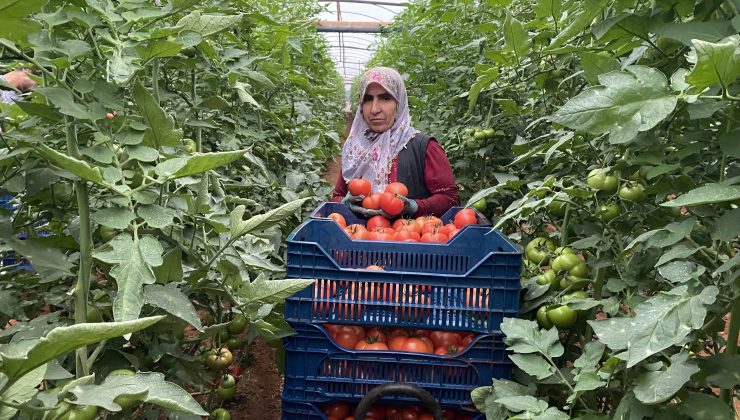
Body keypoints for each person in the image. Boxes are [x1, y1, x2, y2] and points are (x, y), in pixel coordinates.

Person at [331, 67, 460, 218]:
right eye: (367, 99)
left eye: (385, 98)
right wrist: (344, 203)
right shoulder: (355, 149)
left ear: (399, 103)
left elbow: (450, 199)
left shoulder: (424, 148)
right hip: (358, 237)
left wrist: (413, 207)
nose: (374, 109)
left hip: (409, 238)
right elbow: (337, 196)